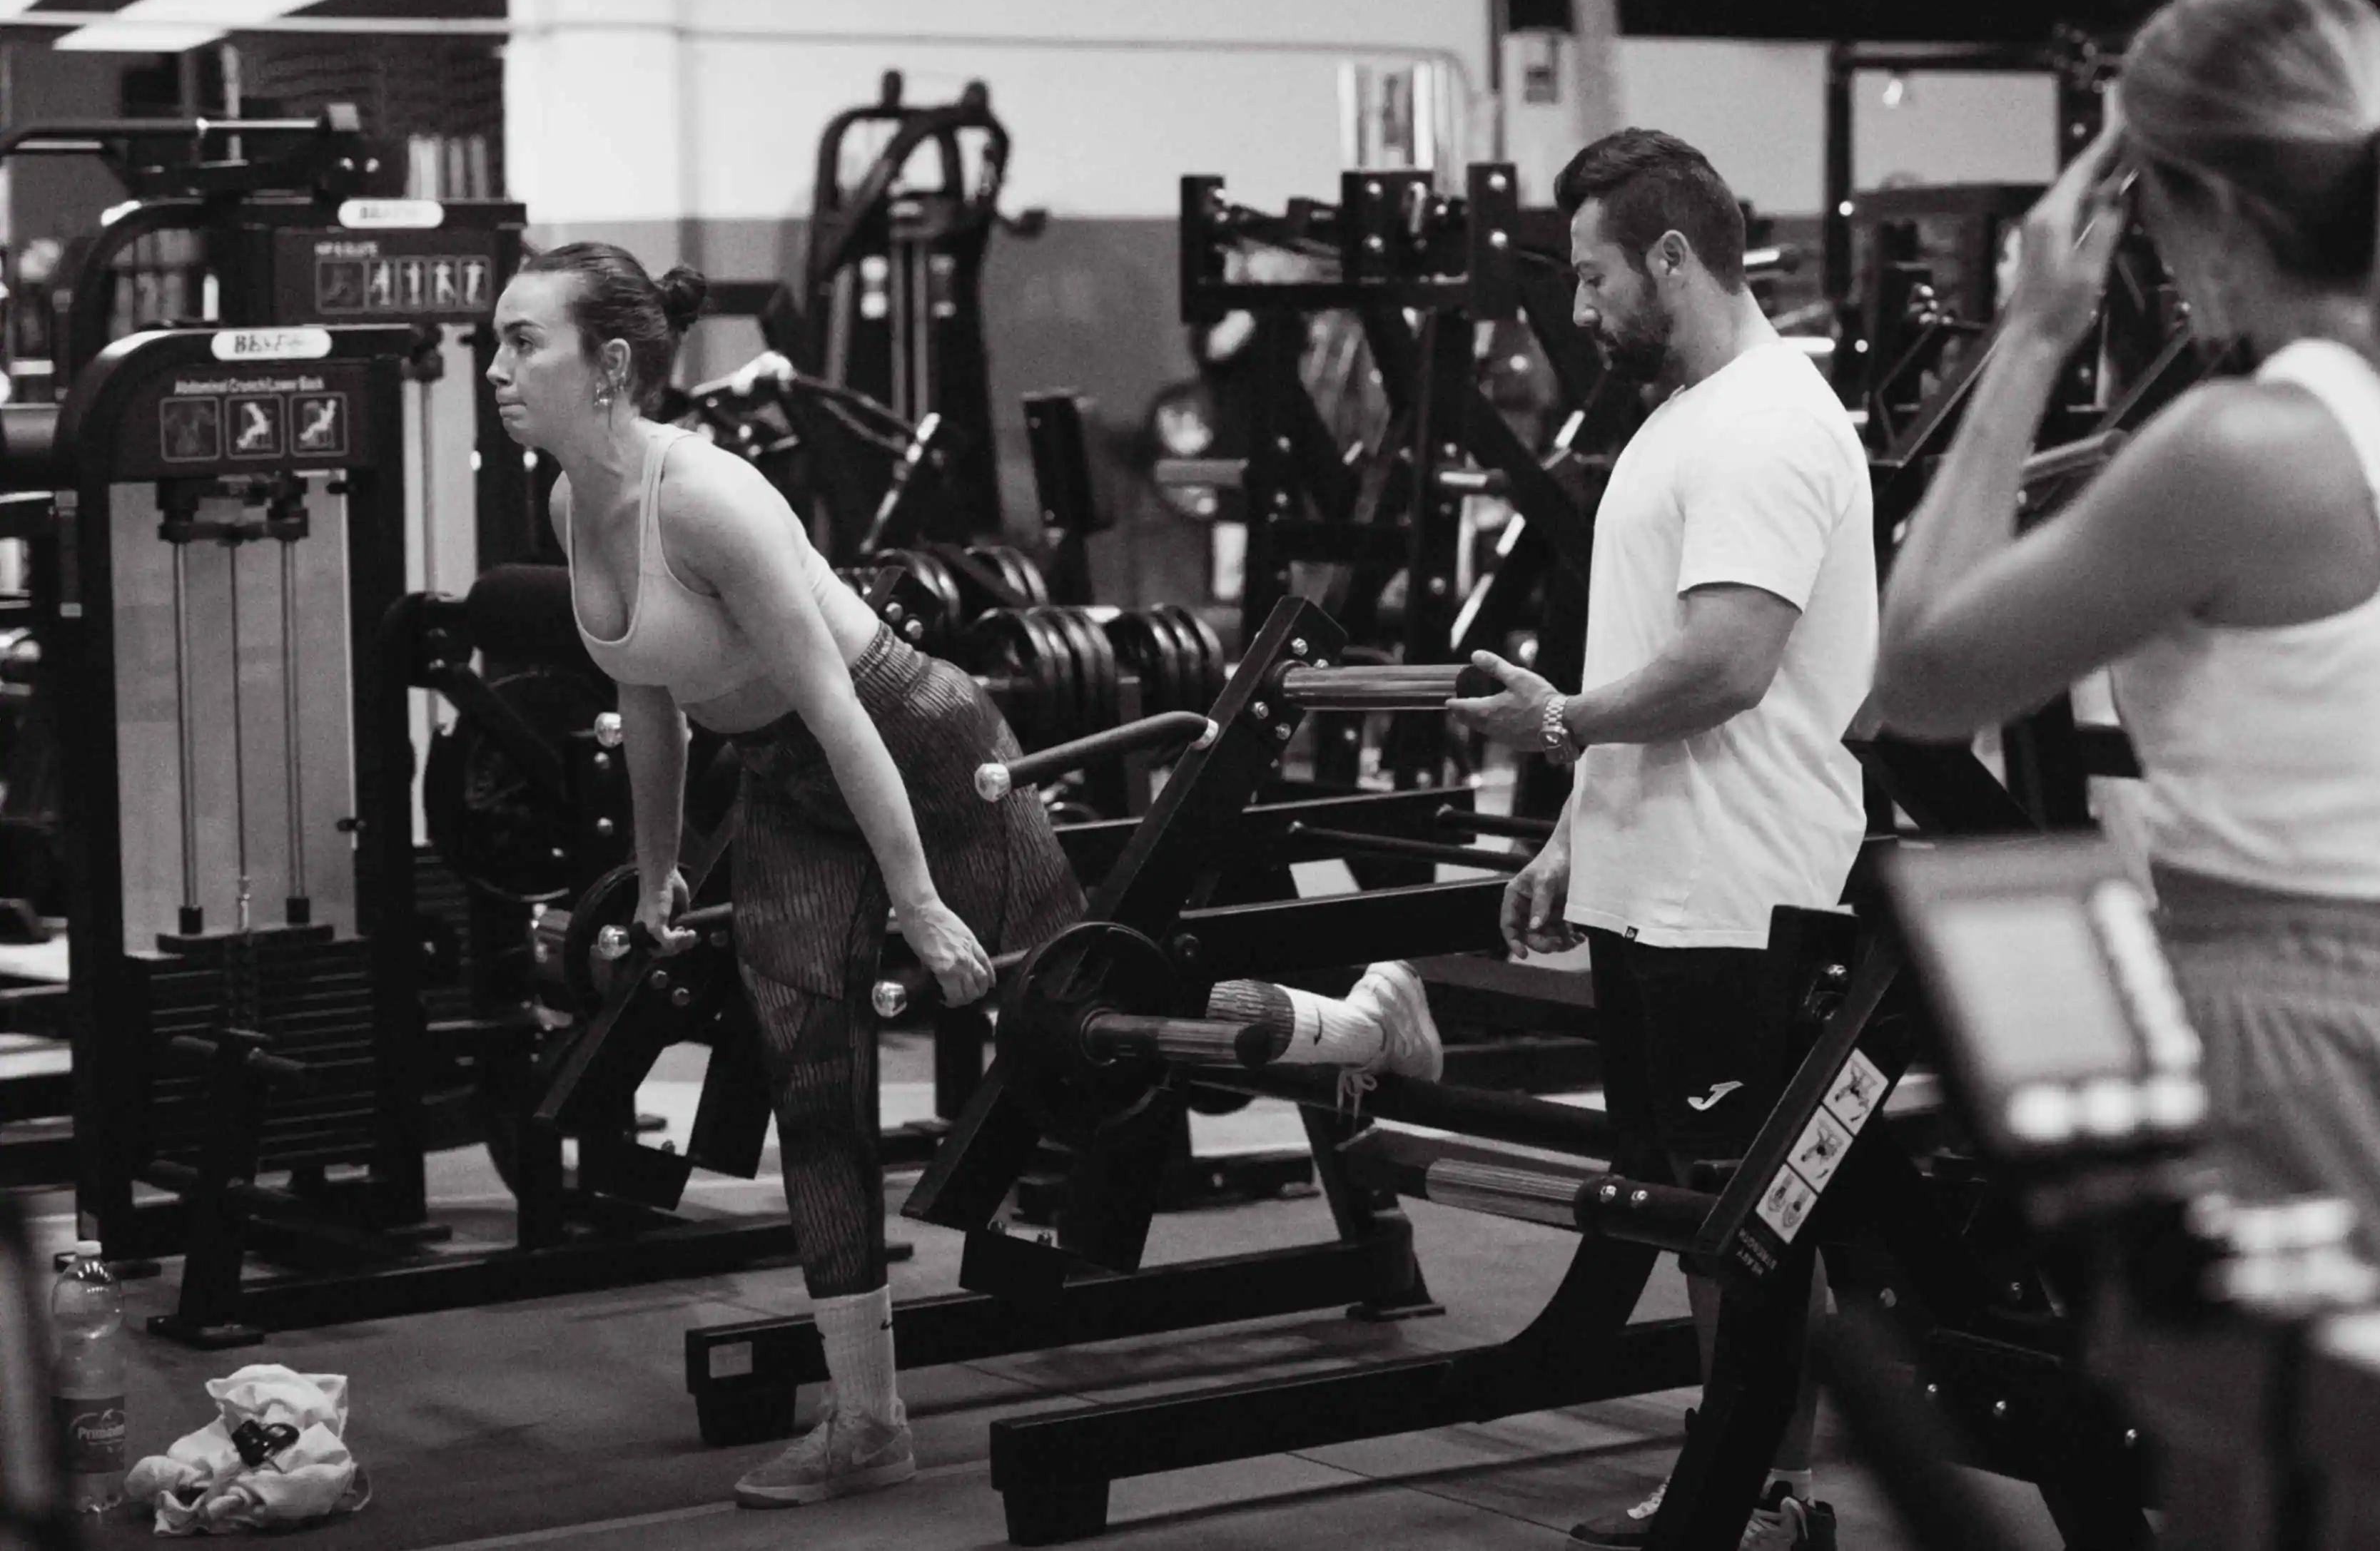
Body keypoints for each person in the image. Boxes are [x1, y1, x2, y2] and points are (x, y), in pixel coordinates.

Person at [487, 244, 1442, 1508]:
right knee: (808, 1078)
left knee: (1085, 1018)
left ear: (608, 365)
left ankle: (1361, 1019)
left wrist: (924, 900)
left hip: (918, 744)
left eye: (520, 341)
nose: (496, 368)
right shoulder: (571, 504)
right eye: (497, 342)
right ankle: (866, 1422)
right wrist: (657, 876)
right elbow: (648, 705)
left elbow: (843, 708)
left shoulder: (710, 498)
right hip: (790, 786)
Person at [1874, 0, 2380, 1359]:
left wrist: (2032, 332)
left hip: (2292, 1052)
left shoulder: (2237, 454)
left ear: (2201, 212)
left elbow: (1916, 683)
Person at [1452, 133, 1872, 1551]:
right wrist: (1576, 829)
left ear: (1671, 258)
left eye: (1590, 276)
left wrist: (1561, 724)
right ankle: (1735, 1475)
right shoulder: (1686, 417)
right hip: (1658, 881)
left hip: (1739, 893)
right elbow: (1648, 655)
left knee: (1751, 1223)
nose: (1577, 310)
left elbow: (1725, 666)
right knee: (1696, 1215)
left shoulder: (1765, 424)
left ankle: (1772, 1493)